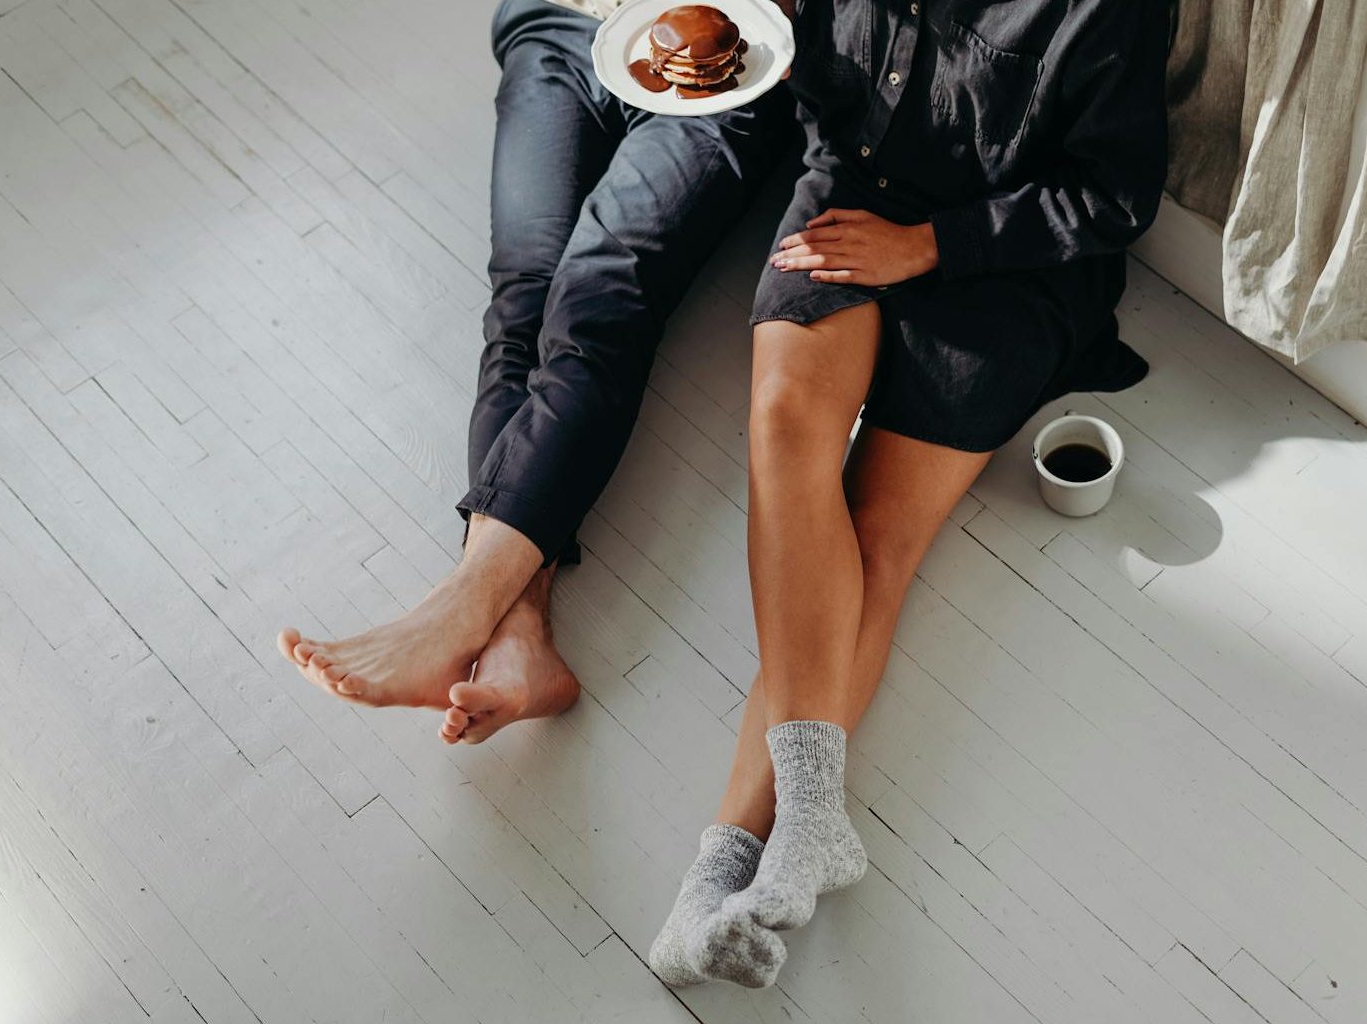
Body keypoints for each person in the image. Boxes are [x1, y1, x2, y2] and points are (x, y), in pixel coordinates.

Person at [649, 0, 1171, 988]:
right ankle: (796, 831)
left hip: (1003, 258)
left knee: (876, 536)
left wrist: (931, 244)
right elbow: (819, 76)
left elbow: (1115, 198)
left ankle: (722, 865)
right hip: (851, 194)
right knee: (782, 434)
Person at [276, 0, 793, 743]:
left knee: (598, 295)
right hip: (565, 21)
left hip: (730, 46)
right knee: (524, 295)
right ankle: (517, 639)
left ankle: (458, 610)